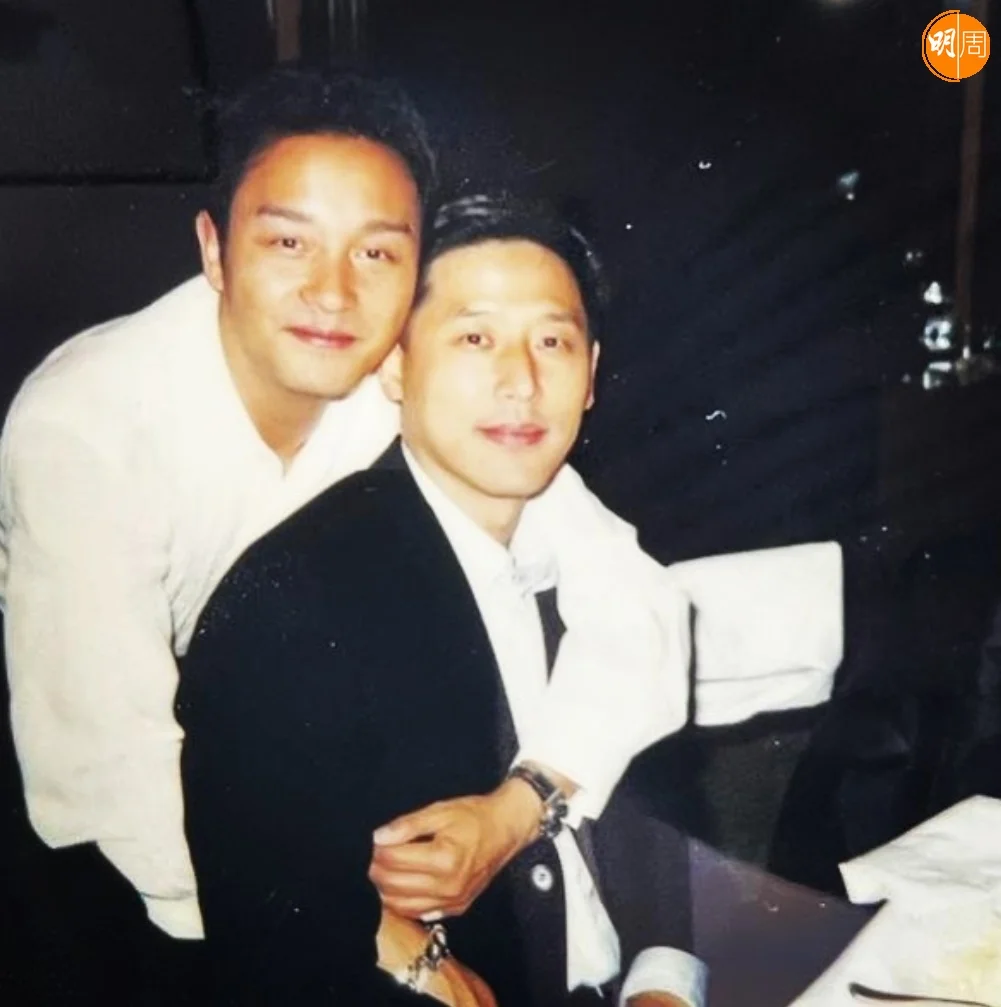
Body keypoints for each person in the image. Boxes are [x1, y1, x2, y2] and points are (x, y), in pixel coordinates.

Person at [0, 67, 687, 1000]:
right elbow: (110, 779)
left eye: (376, 252)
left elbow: (637, 600)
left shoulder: (379, 382)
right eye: (289, 241)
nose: (331, 294)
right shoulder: (86, 430)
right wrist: (369, 928)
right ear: (213, 250)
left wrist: (519, 806)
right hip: (104, 829)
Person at [178, 192, 704, 1007]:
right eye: (474, 337)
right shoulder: (294, 600)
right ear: (395, 364)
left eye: (552, 341)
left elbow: (655, 793)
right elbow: (272, 927)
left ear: (592, 374)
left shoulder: (601, 563)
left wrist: (663, 980)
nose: (521, 382)